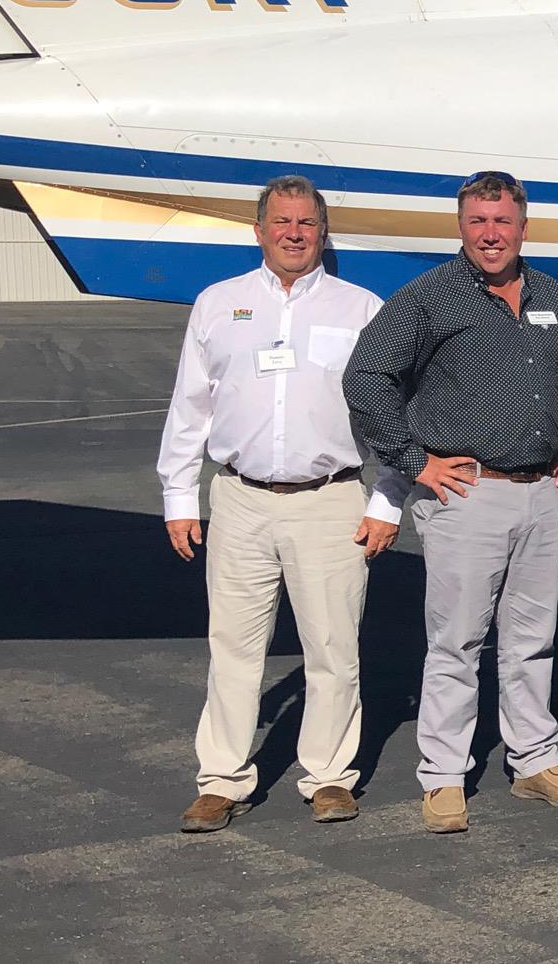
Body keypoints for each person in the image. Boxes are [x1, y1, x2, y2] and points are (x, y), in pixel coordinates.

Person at [342, 170, 558, 834]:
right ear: (460, 226)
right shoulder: (428, 299)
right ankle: (444, 777)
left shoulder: (557, 298)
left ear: (523, 226)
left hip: (540, 494)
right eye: (478, 221)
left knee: (532, 641)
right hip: (467, 496)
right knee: (456, 642)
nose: (491, 234)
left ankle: (534, 761)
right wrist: (414, 460)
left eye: (502, 221)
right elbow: (367, 376)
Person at [158, 175, 405, 832]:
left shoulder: (361, 310)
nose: (294, 234)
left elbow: (392, 416)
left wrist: (388, 502)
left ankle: (327, 776)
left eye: (306, 224)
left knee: (332, 646)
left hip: (331, 501)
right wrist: (180, 495)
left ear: (323, 234)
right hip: (239, 499)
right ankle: (221, 780)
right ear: (260, 230)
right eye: (282, 223)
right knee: (234, 647)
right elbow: (191, 407)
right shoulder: (219, 304)